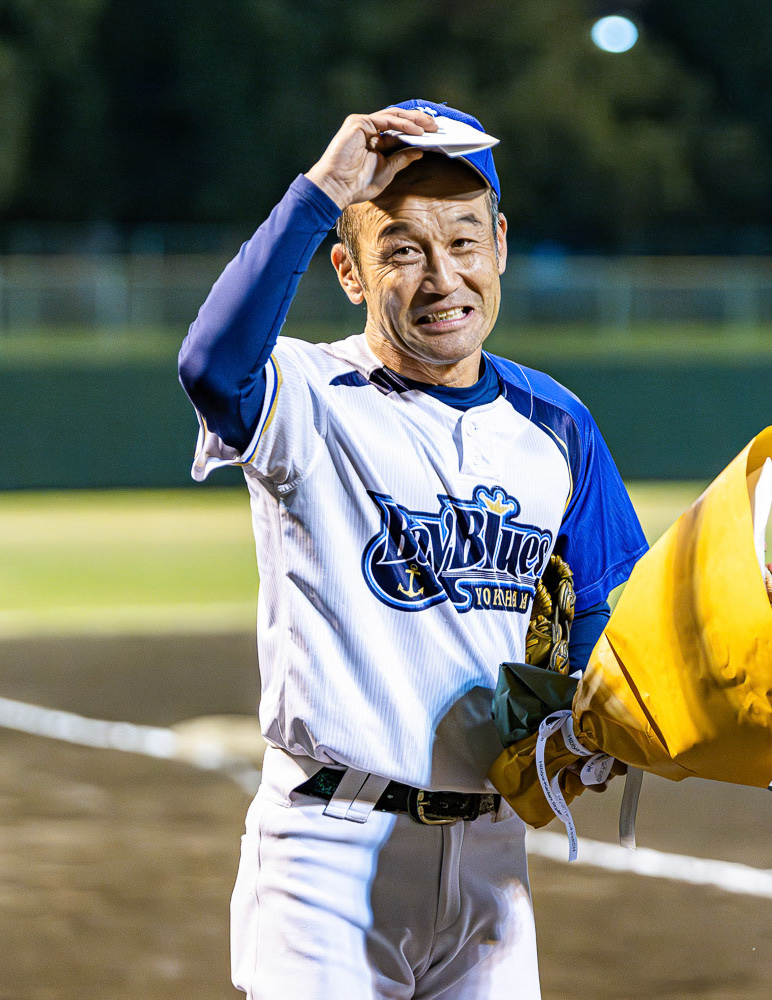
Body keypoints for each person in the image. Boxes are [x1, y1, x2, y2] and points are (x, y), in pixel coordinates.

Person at [176, 101, 649, 999]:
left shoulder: (556, 423)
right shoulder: (308, 396)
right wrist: (324, 190)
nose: (443, 278)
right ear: (349, 272)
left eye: (464, 241)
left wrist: (605, 726)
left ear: (500, 245)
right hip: (327, 854)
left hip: (491, 859)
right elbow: (211, 368)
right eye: (402, 250)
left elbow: (604, 618)